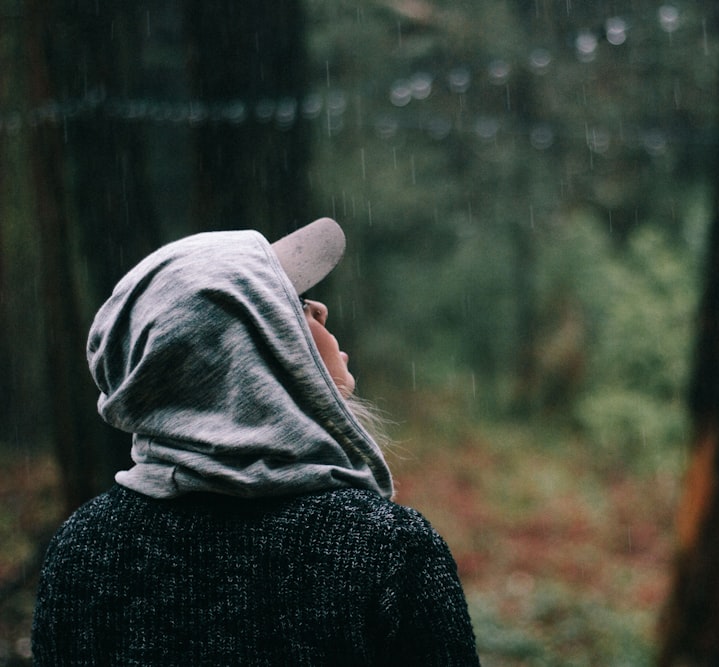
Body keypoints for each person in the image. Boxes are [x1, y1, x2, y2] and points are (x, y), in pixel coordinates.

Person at [31, 218, 480, 666]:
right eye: (295, 304)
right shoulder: (386, 549)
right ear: (254, 354)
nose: (320, 310)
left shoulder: (84, 546)